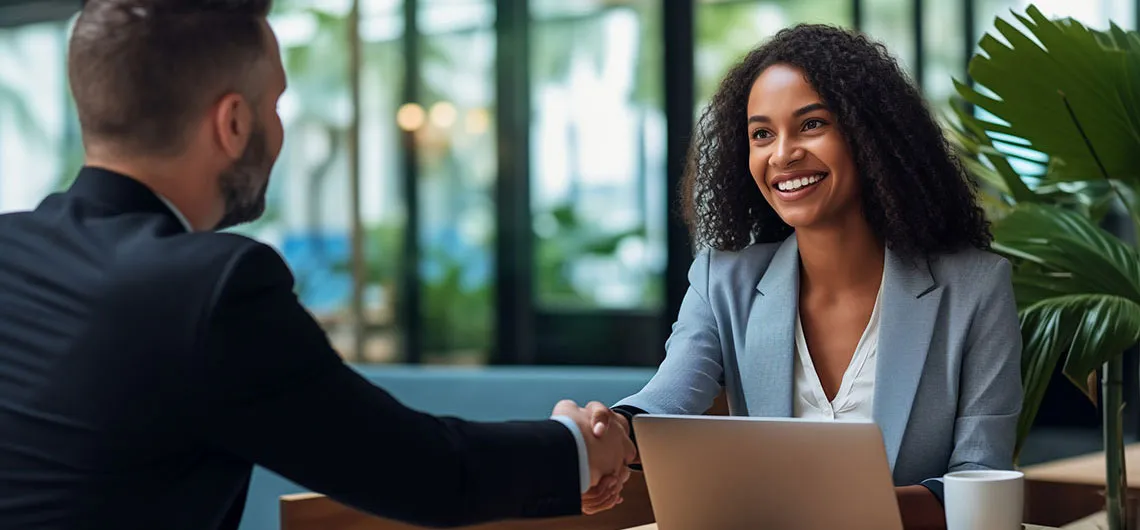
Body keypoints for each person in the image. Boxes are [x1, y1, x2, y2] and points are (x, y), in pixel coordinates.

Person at [0, 1, 634, 528]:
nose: (279, 131)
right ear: (233, 121)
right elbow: (419, 472)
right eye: (275, 104)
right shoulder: (209, 289)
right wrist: (575, 445)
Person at [574, 24, 1023, 529]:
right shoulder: (722, 282)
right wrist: (607, 432)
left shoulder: (976, 288)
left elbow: (979, 475)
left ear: (869, 135)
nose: (782, 154)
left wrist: (830, 508)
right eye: (761, 134)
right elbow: (667, 399)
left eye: (811, 125)